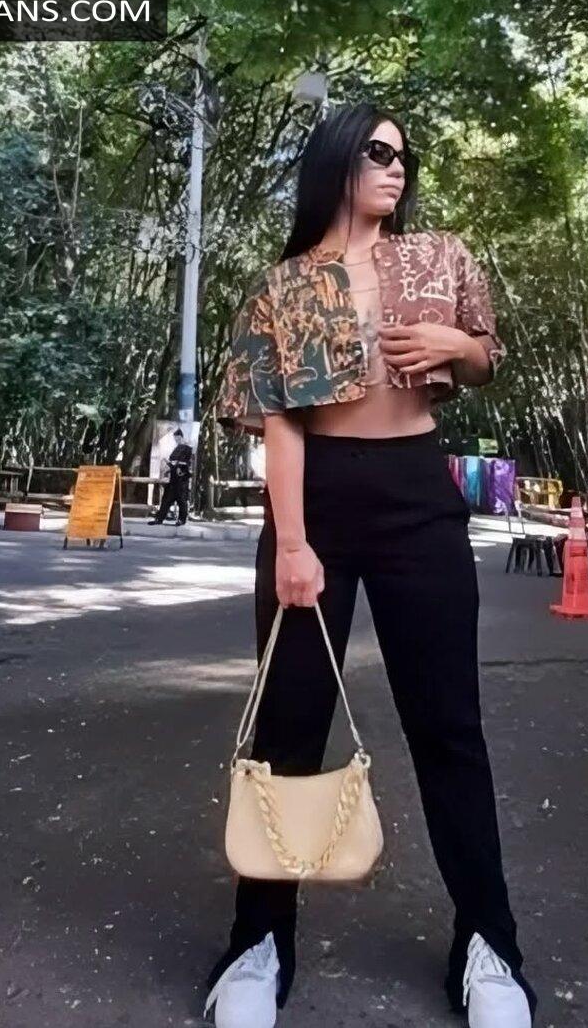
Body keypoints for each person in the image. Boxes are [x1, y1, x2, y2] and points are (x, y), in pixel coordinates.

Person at [203, 103, 536, 1028]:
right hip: (315, 502)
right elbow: (278, 421)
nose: (398, 167)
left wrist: (459, 347)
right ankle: (257, 943)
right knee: (289, 723)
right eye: (380, 151)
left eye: (404, 156)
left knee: (449, 725)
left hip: (418, 494)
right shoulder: (283, 285)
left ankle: (489, 943)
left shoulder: (440, 256)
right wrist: (293, 542)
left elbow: (486, 356)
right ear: (337, 159)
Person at [149, 427, 192, 525]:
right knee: (166, 499)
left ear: (181, 437)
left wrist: (178, 464)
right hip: (173, 478)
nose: (176, 440)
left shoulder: (188, 449)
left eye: (177, 438)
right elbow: (172, 462)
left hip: (182, 479)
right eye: (175, 439)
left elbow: (187, 463)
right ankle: (159, 519)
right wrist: (168, 462)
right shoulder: (176, 448)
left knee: (182, 500)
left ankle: (181, 520)